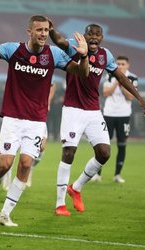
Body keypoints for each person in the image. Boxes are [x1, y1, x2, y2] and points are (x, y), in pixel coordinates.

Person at [0, 15, 90, 227]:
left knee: (26, 164)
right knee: (4, 166)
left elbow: (82, 73)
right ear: (29, 31)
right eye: (39, 30)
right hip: (13, 118)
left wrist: (84, 56)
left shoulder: (54, 54)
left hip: (36, 121)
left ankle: (5, 214)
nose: (44, 34)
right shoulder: (13, 50)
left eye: (46, 30)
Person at [49, 23, 145, 216]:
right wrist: (51, 30)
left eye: (97, 35)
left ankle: (76, 188)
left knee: (104, 153)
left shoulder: (105, 55)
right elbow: (59, 41)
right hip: (73, 109)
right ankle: (60, 203)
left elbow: (121, 77)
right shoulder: (74, 46)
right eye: (90, 34)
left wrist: (140, 98)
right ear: (85, 35)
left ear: (101, 38)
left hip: (93, 110)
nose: (93, 37)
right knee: (68, 153)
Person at [92, 56, 138, 183]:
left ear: (127, 65)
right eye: (118, 63)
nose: (120, 66)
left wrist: (122, 82)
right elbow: (106, 92)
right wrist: (117, 80)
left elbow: (130, 97)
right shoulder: (110, 75)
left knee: (121, 144)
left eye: (123, 64)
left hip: (124, 115)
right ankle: (97, 174)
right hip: (109, 114)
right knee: (103, 144)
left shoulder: (133, 78)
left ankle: (117, 175)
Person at [2, 82, 56, 190]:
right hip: (18, 116)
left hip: (37, 116)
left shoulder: (44, 68)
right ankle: (7, 179)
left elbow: (52, 84)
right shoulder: (20, 70)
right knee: (12, 151)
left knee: (41, 147)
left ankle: (30, 168)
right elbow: (7, 83)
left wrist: (48, 100)